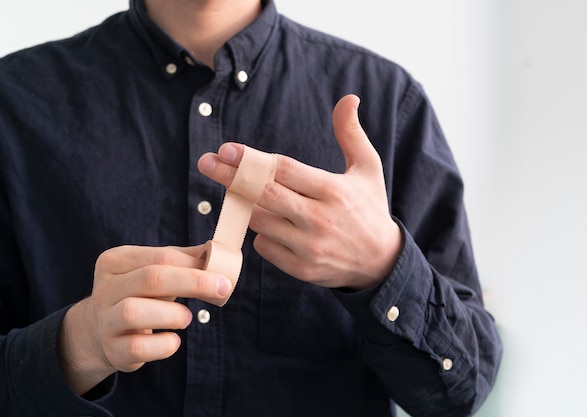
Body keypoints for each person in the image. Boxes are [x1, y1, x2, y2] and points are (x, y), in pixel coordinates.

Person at [0, 0, 503, 416]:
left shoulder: (386, 101)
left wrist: (382, 266)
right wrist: (76, 346)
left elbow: (463, 388)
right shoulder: (15, 103)